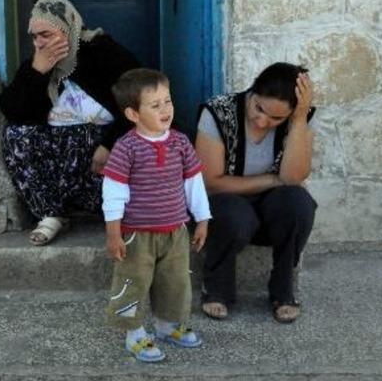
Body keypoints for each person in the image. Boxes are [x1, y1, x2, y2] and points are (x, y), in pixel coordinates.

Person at [0, 0, 140, 246]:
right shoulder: (38, 63)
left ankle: (116, 212)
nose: (39, 43)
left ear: (67, 29)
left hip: (102, 157)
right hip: (63, 161)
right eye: (34, 37)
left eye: (46, 35)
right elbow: (14, 111)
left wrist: (109, 144)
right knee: (15, 135)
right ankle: (51, 213)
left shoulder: (102, 52)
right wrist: (37, 72)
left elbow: (140, 100)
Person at [102, 69, 211, 362]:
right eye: (155, 105)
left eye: (168, 101)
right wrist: (114, 233)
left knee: (175, 282)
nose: (166, 110)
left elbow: (193, 182)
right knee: (133, 283)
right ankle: (135, 335)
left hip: (175, 230)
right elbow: (114, 191)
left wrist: (202, 219)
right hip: (138, 234)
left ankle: (167, 326)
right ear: (133, 114)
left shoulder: (180, 142)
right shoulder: (127, 148)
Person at [195, 62, 316, 324]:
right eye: (258, 108)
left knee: (299, 204)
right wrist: (273, 179)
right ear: (253, 91)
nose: (262, 121)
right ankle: (217, 288)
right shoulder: (218, 111)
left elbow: (293, 178)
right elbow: (210, 182)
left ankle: (283, 289)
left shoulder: (301, 119)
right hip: (225, 205)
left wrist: (298, 120)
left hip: (270, 210)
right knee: (234, 214)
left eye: (276, 118)